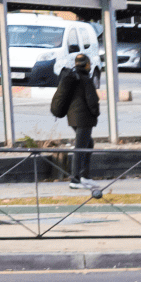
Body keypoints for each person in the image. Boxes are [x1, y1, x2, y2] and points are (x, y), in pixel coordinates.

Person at [51, 53, 100, 189]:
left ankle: (85, 176)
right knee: (81, 147)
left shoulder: (73, 77)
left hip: (72, 118)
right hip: (84, 118)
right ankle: (75, 179)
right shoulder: (85, 79)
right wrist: (96, 112)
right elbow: (92, 100)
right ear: (87, 64)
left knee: (88, 143)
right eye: (89, 64)